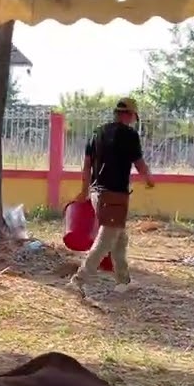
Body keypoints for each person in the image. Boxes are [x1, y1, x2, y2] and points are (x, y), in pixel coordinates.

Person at [69, 98, 154, 295]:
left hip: (97, 193)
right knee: (106, 240)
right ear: (130, 115)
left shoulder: (97, 132)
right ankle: (78, 280)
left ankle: (123, 281)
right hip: (115, 196)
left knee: (119, 238)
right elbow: (139, 164)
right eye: (134, 117)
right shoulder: (129, 135)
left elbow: (87, 165)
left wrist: (84, 190)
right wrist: (149, 179)